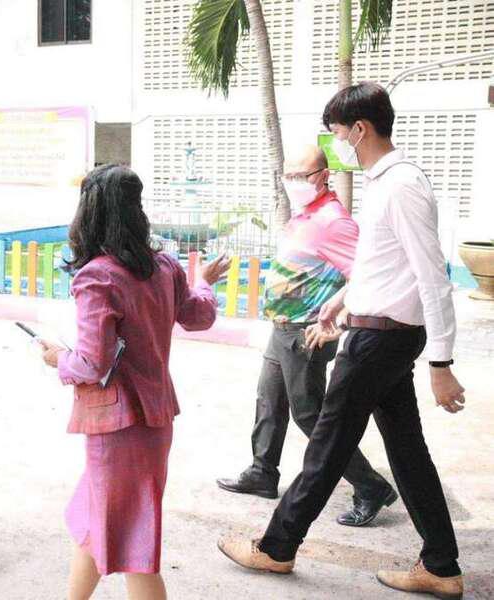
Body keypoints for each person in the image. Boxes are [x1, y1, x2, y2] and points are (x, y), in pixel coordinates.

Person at [218, 82, 466, 600]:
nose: (335, 145)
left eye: (336, 133)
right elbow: (383, 265)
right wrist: (340, 301)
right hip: (378, 333)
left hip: (380, 342)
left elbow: (432, 276)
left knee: (326, 445)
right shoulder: (386, 182)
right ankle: (441, 565)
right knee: (407, 453)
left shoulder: (400, 185)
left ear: (359, 129)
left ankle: (277, 547)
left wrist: (441, 363)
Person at [38, 164, 230, 600]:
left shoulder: (97, 276)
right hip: (155, 421)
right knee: (96, 522)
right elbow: (198, 316)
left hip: (117, 427)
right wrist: (203, 283)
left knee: (132, 543)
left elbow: (91, 364)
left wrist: (57, 358)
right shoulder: (163, 266)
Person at [216, 144, 397, 528]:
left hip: (305, 333)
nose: (293, 182)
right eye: (289, 175)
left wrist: (336, 318)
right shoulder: (305, 215)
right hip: (282, 328)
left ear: (324, 176)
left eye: (302, 175)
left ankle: (370, 486)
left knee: (311, 415)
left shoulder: (334, 221)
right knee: (269, 401)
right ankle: (262, 471)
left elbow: (366, 274)